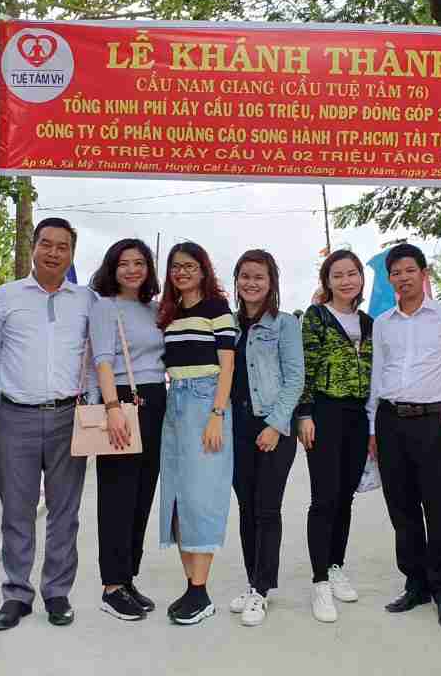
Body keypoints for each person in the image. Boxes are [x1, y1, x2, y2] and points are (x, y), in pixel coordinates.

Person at [0, 217, 93, 631]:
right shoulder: (3, 298)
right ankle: (16, 594)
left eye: (62, 246)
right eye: (46, 244)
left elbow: (95, 355)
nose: (53, 253)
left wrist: (92, 404)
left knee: (65, 512)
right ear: (33, 247)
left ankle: (57, 592)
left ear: (72, 254)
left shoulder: (86, 300)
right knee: (17, 510)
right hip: (14, 417)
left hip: (69, 417)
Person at [368, 243, 441, 631]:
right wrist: (373, 427)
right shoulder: (383, 323)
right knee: (402, 510)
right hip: (390, 421)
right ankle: (416, 585)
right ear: (390, 279)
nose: (403, 278)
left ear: (423, 273)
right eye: (395, 273)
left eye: (409, 270)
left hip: (432, 422)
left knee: (437, 509)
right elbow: (377, 376)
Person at [157, 242, 236, 625]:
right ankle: (192, 588)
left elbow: (228, 365)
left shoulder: (217, 309)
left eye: (189, 266)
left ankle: (201, 592)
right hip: (175, 403)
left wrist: (217, 414)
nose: (182, 272)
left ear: (203, 270)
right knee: (178, 497)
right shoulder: (169, 313)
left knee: (202, 497)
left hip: (207, 402)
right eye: (176, 266)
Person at [88, 239, 166, 621]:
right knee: (117, 496)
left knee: (141, 495)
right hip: (121, 401)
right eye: (124, 263)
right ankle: (111, 586)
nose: (132, 270)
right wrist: (112, 408)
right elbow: (103, 361)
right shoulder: (105, 306)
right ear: (112, 268)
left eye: (139, 263)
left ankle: (128, 577)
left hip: (156, 402)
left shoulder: (154, 309)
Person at [227, 250, 304, 626]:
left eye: (259, 276)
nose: (251, 283)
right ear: (236, 280)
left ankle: (261, 589)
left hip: (273, 426)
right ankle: (252, 581)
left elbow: (295, 378)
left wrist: (275, 425)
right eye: (245, 276)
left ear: (271, 281)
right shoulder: (228, 324)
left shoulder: (285, 324)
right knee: (245, 508)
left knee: (267, 508)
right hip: (236, 427)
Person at [296, 249, 374, 623]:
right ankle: (320, 581)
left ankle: (336, 565)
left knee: (345, 497)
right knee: (324, 498)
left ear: (361, 278)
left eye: (351, 273)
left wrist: (373, 425)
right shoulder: (317, 317)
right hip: (324, 413)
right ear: (327, 281)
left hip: (357, 416)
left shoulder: (369, 322)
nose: (346, 280)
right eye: (337, 275)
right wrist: (305, 414)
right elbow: (305, 367)